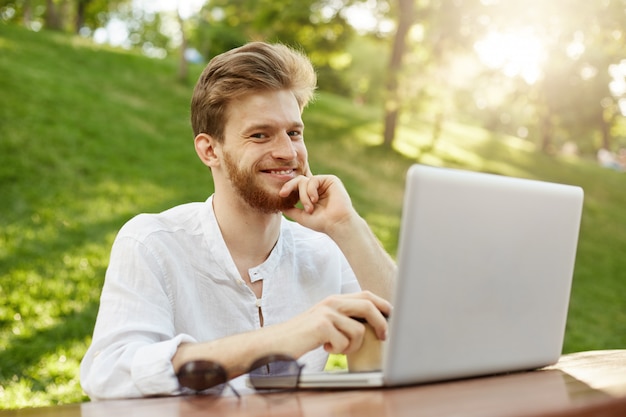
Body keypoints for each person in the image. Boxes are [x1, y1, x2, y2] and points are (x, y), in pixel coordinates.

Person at [80, 42, 396, 400]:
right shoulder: (152, 242)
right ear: (209, 150)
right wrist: (280, 338)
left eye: (294, 132)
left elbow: (415, 335)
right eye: (260, 135)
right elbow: (109, 375)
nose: (288, 152)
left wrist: (346, 225)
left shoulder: (325, 250)